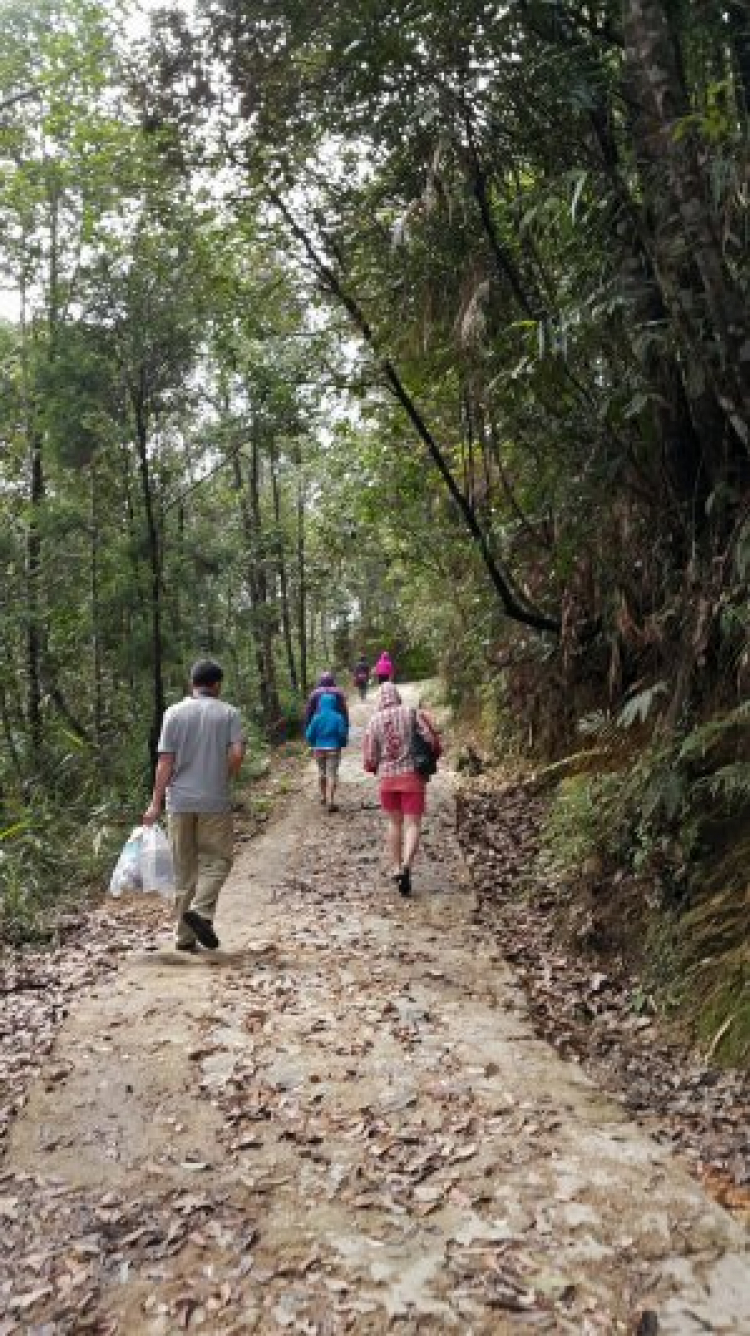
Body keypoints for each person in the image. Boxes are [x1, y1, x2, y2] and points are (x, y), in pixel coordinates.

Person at [143, 659, 245, 952]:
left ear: (192, 683)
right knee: (218, 860)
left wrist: (155, 804)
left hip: (179, 802)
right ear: (217, 685)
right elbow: (237, 753)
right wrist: (225, 774)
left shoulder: (173, 713)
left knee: (184, 869)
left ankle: (184, 937)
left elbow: (165, 761)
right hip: (214, 800)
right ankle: (200, 912)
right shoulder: (229, 714)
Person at [363, 682, 441, 896]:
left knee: (394, 823)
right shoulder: (410, 713)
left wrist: (376, 766)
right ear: (397, 696)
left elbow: (370, 757)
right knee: (412, 824)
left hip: (388, 779)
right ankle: (407, 865)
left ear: (380, 699)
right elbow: (430, 739)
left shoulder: (374, 721)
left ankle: (396, 867)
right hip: (412, 777)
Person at [306, 691, 349, 812]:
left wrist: (313, 743)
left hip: (319, 749)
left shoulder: (316, 717)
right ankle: (331, 800)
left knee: (321, 773)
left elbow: (309, 734)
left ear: (320, 704)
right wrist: (342, 743)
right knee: (332, 774)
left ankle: (323, 796)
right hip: (334, 749)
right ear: (333, 703)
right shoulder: (338, 717)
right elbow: (342, 734)